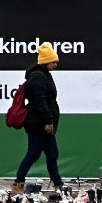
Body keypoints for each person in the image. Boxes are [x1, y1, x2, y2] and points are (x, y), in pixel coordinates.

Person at [12, 44, 62, 192]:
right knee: (34, 153)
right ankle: (18, 182)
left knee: (52, 154)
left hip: (43, 122)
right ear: (46, 61)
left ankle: (58, 184)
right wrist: (48, 120)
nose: (56, 65)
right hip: (39, 123)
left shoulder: (42, 75)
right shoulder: (38, 77)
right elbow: (40, 101)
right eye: (54, 62)